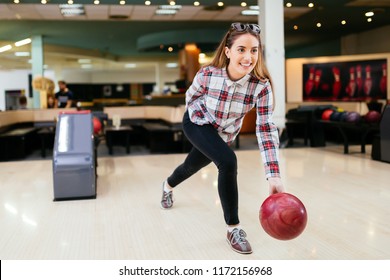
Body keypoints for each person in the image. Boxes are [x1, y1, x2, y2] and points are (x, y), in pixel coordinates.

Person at [160, 22, 285, 254]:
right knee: (227, 162)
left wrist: (273, 175)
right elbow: (191, 97)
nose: (248, 57)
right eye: (241, 49)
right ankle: (233, 228)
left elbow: (266, 128)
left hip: (223, 134)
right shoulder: (208, 74)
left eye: (254, 50)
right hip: (197, 122)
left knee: (190, 166)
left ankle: (167, 185)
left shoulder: (261, 86)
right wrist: (203, 122)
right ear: (227, 52)